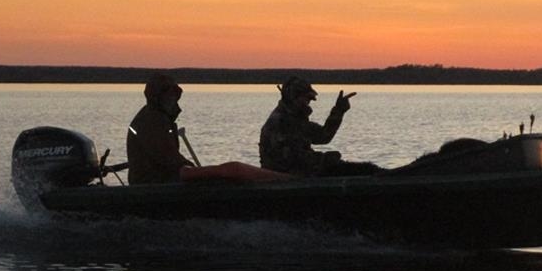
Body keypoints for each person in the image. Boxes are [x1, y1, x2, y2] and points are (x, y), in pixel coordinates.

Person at [127, 73, 290, 184]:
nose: (174, 99)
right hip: (157, 184)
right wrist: (196, 171)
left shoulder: (160, 119)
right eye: (169, 94)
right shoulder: (151, 122)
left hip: (167, 178)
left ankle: (285, 180)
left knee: (231, 171)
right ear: (158, 96)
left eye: (175, 94)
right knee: (234, 170)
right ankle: (288, 181)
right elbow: (171, 162)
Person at [259, 76, 383, 177]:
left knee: (366, 169)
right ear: (293, 97)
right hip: (288, 177)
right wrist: (328, 159)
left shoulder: (296, 120)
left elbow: (323, 136)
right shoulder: (281, 122)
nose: (308, 103)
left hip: (303, 172)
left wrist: (339, 111)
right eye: (306, 98)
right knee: (361, 170)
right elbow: (294, 159)